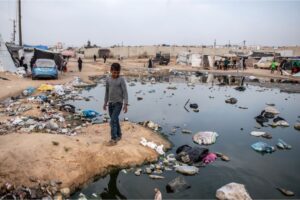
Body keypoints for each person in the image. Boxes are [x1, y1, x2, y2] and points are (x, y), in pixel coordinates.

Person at [103, 63, 128, 146]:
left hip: (119, 103)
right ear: (111, 71)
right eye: (114, 72)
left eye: (117, 72)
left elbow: (125, 92)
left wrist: (125, 104)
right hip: (110, 103)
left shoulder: (121, 80)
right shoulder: (108, 80)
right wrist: (105, 103)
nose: (116, 74)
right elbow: (107, 92)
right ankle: (119, 134)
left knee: (113, 120)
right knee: (115, 119)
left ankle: (113, 139)